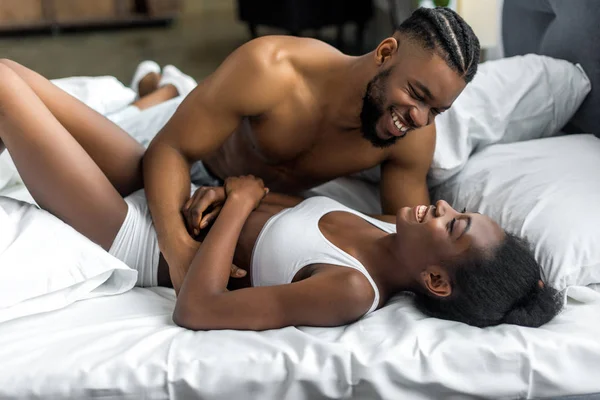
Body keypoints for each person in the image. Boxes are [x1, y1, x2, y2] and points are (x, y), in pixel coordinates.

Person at [0, 58, 562, 331]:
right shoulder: (393, 228)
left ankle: (156, 92)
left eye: (454, 225)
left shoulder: (348, 290)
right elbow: (265, 214)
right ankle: (159, 94)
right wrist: (223, 198)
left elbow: (198, 310)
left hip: (136, 237)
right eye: (460, 210)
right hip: (175, 198)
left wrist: (240, 203)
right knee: (12, 73)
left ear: (436, 280)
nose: (443, 207)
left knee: (4, 89)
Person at [142, 7, 484, 286]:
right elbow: (170, 148)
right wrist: (179, 251)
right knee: (125, 162)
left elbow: (401, 229)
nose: (420, 118)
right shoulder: (271, 68)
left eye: (436, 110)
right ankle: (160, 90)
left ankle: (164, 87)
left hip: (246, 196)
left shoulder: (414, 136)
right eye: (416, 95)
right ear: (385, 53)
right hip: (196, 159)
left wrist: (252, 200)